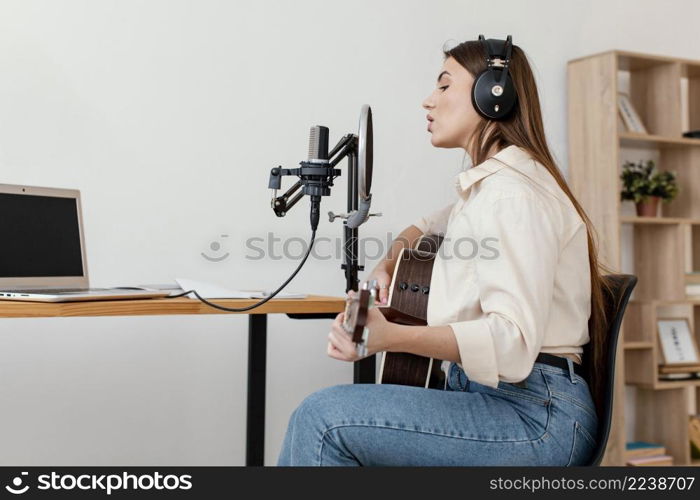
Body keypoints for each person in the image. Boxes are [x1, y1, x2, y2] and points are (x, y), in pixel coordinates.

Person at [277, 35, 613, 466]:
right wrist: (389, 260)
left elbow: (511, 343)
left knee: (323, 419)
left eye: (443, 85)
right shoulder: (491, 189)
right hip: (508, 402)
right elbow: (432, 222)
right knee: (326, 418)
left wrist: (392, 338)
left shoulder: (512, 196)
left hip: (533, 416)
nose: (427, 101)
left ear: (493, 94)